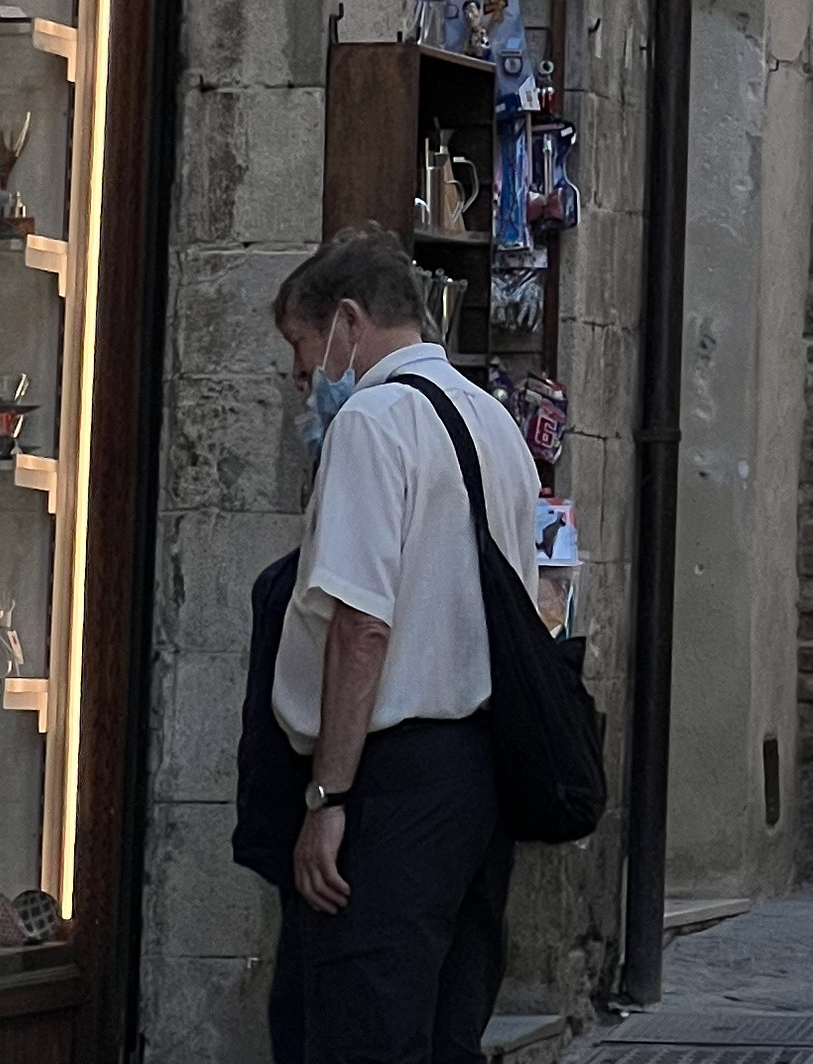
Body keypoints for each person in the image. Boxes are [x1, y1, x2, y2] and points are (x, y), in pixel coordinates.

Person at [269, 222, 545, 1064]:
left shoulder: (374, 422)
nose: (301, 375)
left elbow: (361, 626)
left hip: (388, 782)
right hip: (477, 778)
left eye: (304, 345)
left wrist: (327, 801)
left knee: (361, 1029)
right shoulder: (494, 422)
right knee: (444, 1030)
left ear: (348, 322)